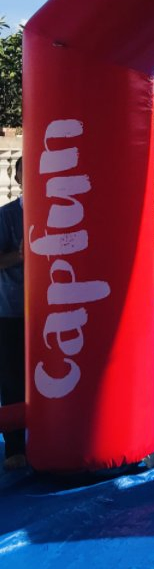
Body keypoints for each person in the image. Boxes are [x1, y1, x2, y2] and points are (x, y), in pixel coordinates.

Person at [0, 158, 25, 470]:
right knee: (13, 379)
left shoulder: (64, 210)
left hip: (54, 312)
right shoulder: (6, 216)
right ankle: (16, 448)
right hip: (12, 311)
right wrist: (20, 256)